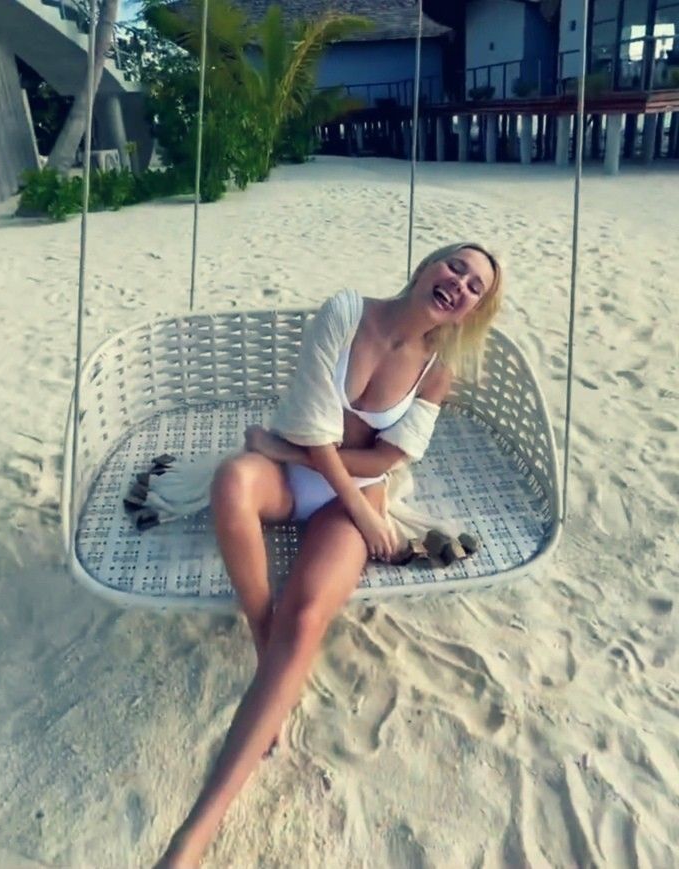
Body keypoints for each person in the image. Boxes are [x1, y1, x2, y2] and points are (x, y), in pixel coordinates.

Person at [157, 242, 502, 866]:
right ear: (428, 265)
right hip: (308, 484)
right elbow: (316, 426)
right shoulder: (346, 312)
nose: (460, 283)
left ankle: (192, 837)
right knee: (232, 480)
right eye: (456, 266)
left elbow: (387, 458)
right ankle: (267, 649)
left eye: (475, 286)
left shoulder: (436, 370)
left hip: (353, 493)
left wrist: (304, 466)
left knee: (308, 614)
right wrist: (327, 483)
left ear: (470, 310)